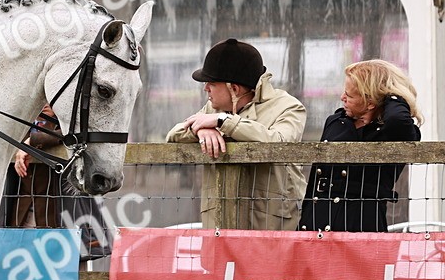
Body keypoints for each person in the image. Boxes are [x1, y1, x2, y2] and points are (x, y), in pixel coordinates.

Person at [166, 38, 306, 230]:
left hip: (272, 232)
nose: (205, 88)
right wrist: (201, 129)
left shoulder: (289, 107)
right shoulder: (212, 109)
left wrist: (223, 122)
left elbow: (280, 143)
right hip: (219, 231)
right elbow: (173, 135)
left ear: (234, 88)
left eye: (211, 83)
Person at [298, 60, 421, 232]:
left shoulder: (396, 131)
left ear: (370, 102)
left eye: (350, 95)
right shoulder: (336, 122)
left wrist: (392, 95)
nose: (343, 98)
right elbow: (315, 181)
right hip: (316, 225)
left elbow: (396, 119)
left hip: (362, 228)